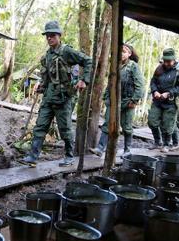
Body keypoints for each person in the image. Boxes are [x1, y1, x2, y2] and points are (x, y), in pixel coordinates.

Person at [19, 21, 91, 167]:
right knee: (40, 126)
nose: (49, 38)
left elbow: (88, 61)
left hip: (63, 98)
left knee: (64, 128)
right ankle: (33, 156)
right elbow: (48, 76)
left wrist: (84, 80)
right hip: (48, 97)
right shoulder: (47, 55)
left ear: (59, 36)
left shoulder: (66, 51)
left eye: (52, 35)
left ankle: (69, 156)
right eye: (47, 36)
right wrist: (41, 86)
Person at [90, 44, 144, 156]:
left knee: (126, 126)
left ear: (129, 54)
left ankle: (127, 150)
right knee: (107, 124)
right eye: (120, 51)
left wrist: (134, 100)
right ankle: (100, 149)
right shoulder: (115, 65)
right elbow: (110, 83)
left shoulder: (133, 66)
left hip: (127, 101)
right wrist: (106, 97)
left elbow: (140, 85)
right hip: (113, 101)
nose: (121, 54)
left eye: (124, 51)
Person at [147, 48, 179, 153]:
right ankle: (157, 142)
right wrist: (155, 91)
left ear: (174, 60)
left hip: (171, 102)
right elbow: (153, 82)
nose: (166, 63)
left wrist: (169, 93)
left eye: (169, 61)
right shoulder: (160, 68)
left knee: (168, 125)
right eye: (165, 60)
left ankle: (166, 144)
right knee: (152, 121)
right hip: (158, 100)